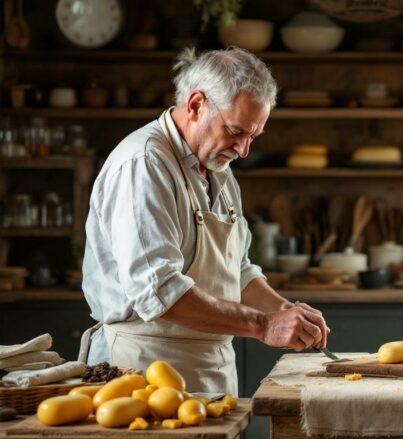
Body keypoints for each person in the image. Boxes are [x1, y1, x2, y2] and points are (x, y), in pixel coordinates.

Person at [79, 48, 329, 395]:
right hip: (141, 368)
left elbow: (237, 272)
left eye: (253, 137)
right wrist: (263, 324)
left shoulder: (219, 172)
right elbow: (160, 291)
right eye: (235, 131)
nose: (243, 151)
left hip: (211, 368)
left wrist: (285, 311)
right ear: (196, 105)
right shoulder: (144, 164)